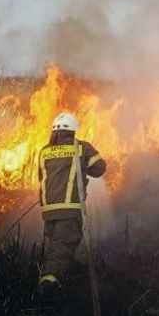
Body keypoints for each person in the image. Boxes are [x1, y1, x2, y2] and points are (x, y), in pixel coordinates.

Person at [36, 112, 106, 294]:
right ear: (73, 131)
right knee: (63, 247)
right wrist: (84, 167)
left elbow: (41, 177)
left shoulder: (44, 151)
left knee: (56, 245)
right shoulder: (81, 147)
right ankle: (49, 285)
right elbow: (100, 168)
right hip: (69, 209)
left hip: (49, 210)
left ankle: (60, 279)